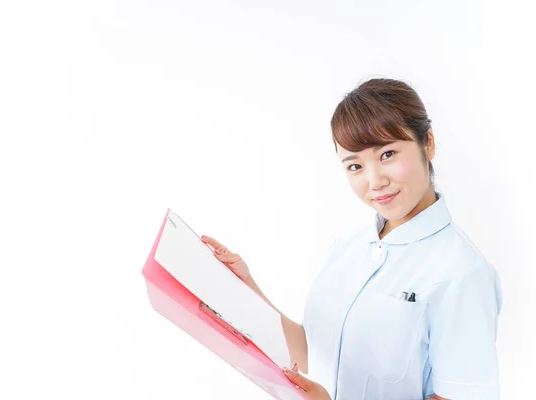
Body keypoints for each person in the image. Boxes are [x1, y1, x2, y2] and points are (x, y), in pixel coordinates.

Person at [201, 78, 503, 400]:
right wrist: (244, 286)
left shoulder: (463, 272)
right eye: (355, 165)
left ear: (427, 143)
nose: (375, 181)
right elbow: (314, 353)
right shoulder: (349, 246)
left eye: (388, 154)